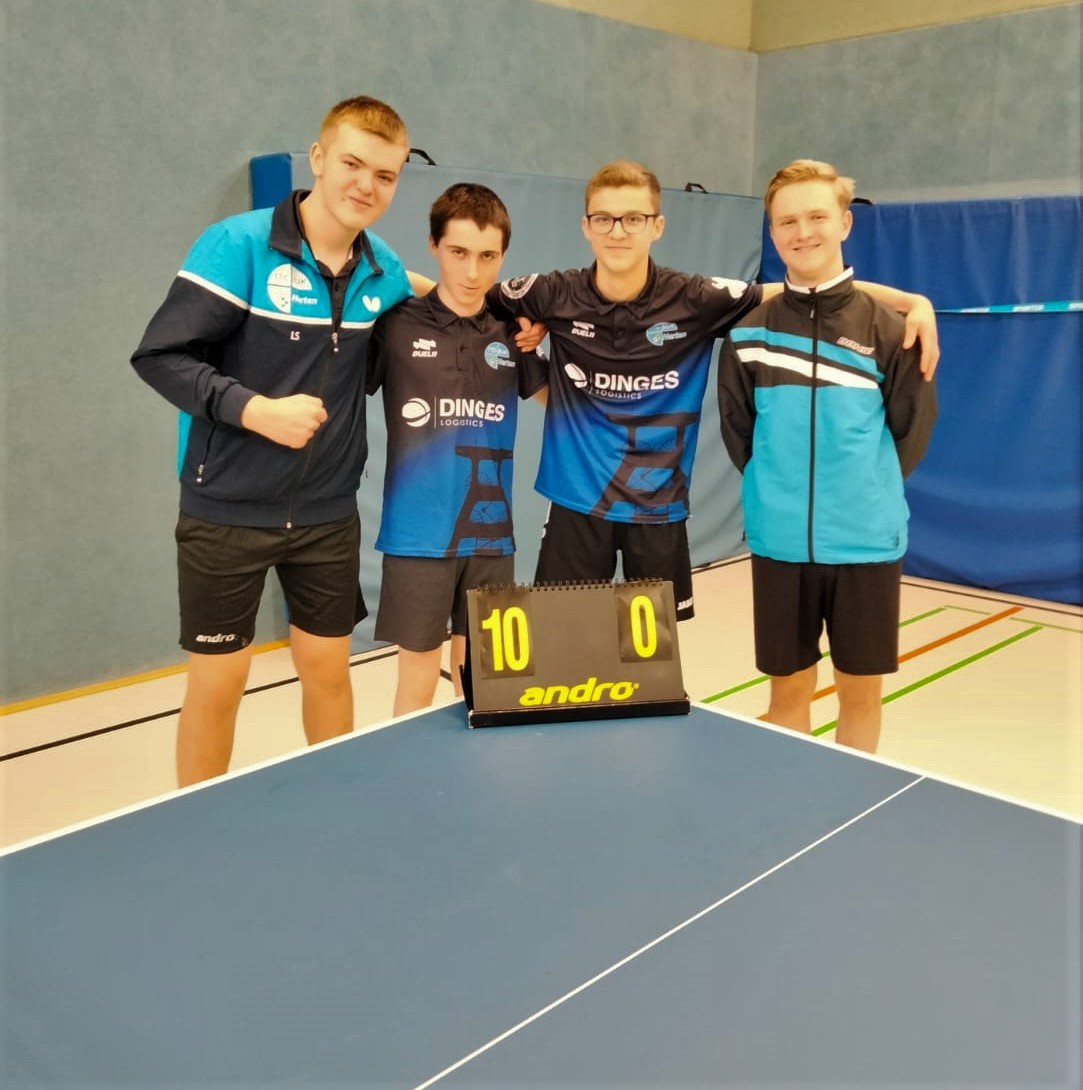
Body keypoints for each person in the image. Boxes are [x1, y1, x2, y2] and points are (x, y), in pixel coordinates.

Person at [487, 159, 940, 621]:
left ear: (657, 226)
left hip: (657, 509)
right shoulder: (551, 293)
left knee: (651, 653)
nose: (618, 231)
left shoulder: (695, 298)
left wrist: (913, 302)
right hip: (575, 502)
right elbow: (472, 303)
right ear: (586, 227)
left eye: (634, 218)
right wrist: (524, 343)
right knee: (565, 637)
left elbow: (806, 292)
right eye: (604, 218)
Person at [131, 95, 417, 785]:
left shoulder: (382, 268)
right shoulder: (238, 245)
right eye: (352, 164)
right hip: (225, 511)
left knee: (328, 670)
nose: (366, 185)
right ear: (318, 158)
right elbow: (160, 357)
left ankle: (333, 807)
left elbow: (425, 295)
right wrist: (254, 410)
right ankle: (200, 821)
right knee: (219, 684)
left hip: (326, 515)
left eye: (385, 174)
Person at [717, 159, 938, 753]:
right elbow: (740, 433)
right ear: (772, 231)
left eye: (816, 216)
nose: (802, 232)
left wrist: (864, 491)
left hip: (865, 544)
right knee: (787, 694)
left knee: (859, 695)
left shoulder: (892, 330)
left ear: (844, 222)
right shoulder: (748, 333)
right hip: (780, 543)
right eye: (786, 221)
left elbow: (910, 432)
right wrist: (777, 491)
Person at [366, 184, 548, 716]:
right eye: (459, 252)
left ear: (503, 257)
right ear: (433, 246)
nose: (472, 271)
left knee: (482, 685)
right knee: (418, 682)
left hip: (491, 538)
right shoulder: (395, 326)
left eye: (488, 256)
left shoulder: (513, 334)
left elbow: (561, 404)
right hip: (416, 536)